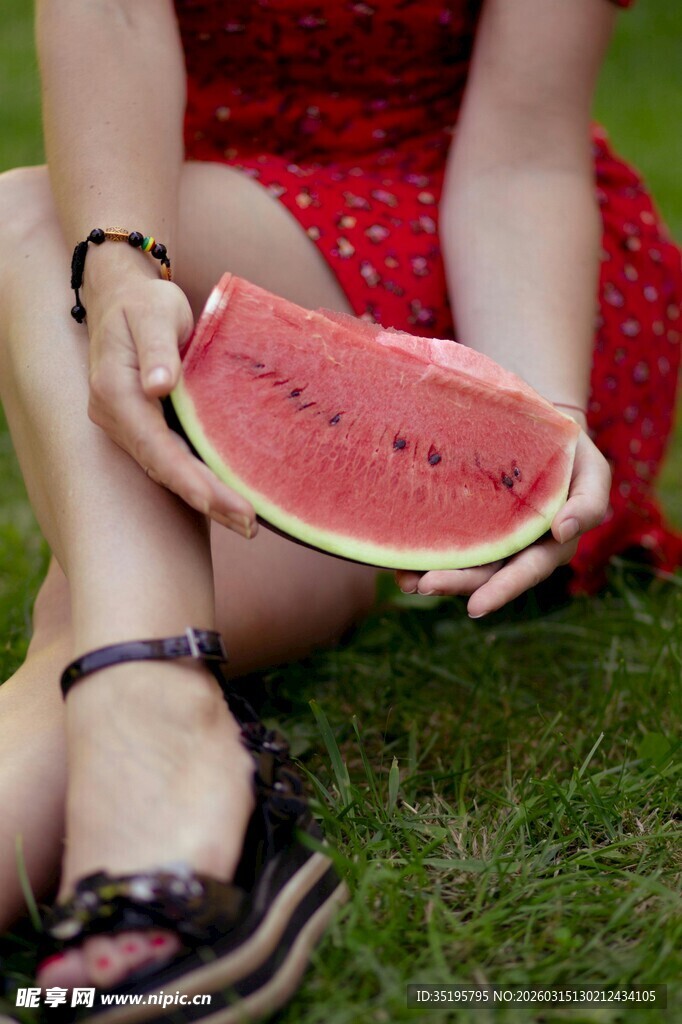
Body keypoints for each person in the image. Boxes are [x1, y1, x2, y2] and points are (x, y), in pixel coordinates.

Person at [0, 0, 679, 1016]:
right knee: (54, 229)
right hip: (175, 224)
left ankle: (162, 734)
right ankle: (159, 734)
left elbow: (519, 159)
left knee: (23, 217)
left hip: (462, 256)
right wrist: (122, 265)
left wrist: (532, 422)